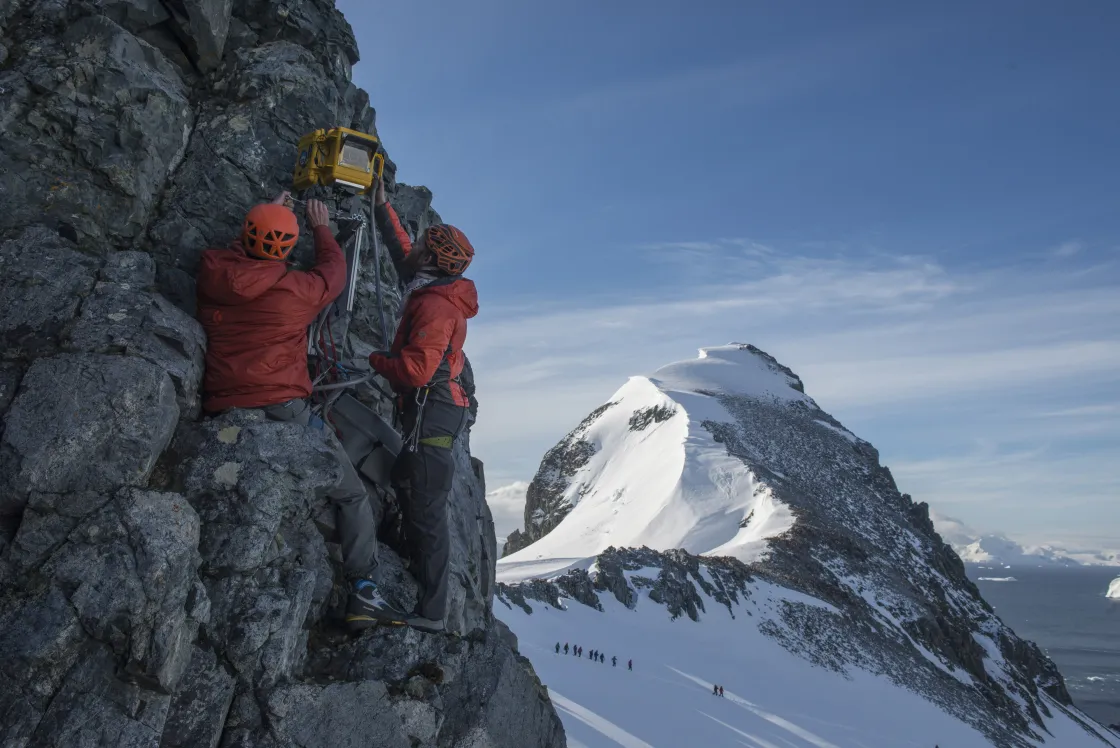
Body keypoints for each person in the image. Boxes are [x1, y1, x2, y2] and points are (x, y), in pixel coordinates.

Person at [196, 192, 401, 631]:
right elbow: (334, 274)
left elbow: (239, 264)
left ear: (246, 235)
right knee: (351, 495)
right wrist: (321, 228)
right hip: (280, 406)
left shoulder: (213, 269)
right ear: (288, 250)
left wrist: (266, 214)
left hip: (221, 401)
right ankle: (364, 588)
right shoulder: (294, 291)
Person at [368, 177, 478, 634]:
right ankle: (409, 558)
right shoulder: (431, 284)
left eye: (425, 246)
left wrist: (374, 360)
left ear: (433, 260)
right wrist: (381, 207)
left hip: (432, 413)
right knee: (406, 483)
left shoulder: (437, 309)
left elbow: (414, 371)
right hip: (432, 411)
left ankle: (432, 612)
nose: (416, 248)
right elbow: (402, 250)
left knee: (429, 512)